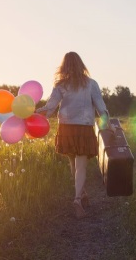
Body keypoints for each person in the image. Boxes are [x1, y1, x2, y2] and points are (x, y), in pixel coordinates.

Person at [36, 51, 114, 219]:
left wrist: (37, 113)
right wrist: (108, 125)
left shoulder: (61, 85)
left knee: (73, 164)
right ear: (81, 65)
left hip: (66, 127)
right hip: (84, 127)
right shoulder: (91, 84)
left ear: (64, 67)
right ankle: (78, 198)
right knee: (81, 166)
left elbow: (50, 108)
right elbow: (101, 108)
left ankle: (82, 194)